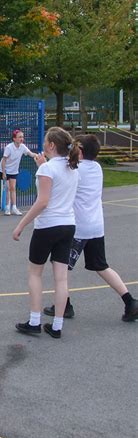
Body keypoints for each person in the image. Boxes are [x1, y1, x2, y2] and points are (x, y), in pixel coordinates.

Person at [43, 134, 138, 322]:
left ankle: (65, 305)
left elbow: (56, 181)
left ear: (80, 151)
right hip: (96, 226)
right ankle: (130, 301)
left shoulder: (76, 170)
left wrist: (43, 163)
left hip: (79, 228)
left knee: (59, 266)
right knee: (101, 266)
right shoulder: (97, 168)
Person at [13, 127, 80, 339]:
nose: (43, 144)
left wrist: (21, 224)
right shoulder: (71, 168)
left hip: (48, 226)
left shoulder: (47, 169)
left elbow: (43, 201)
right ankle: (57, 326)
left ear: (51, 145)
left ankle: (34, 321)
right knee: (61, 279)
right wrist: (43, 166)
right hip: (68, 225)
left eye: (45, 141)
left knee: (35, 273)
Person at [0, 129, 37, 216]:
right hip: (4, 169)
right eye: (19, 137)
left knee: (13, 188)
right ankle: (7, 208)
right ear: (14, 139)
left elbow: (30, 153)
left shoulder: (22, 147)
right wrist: (4, 173)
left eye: (22, 137)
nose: (21, 139)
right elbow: (4, 160)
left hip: (14, 170)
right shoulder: (9, 147)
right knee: (8, 188)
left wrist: (37, 155)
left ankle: (14, 208)